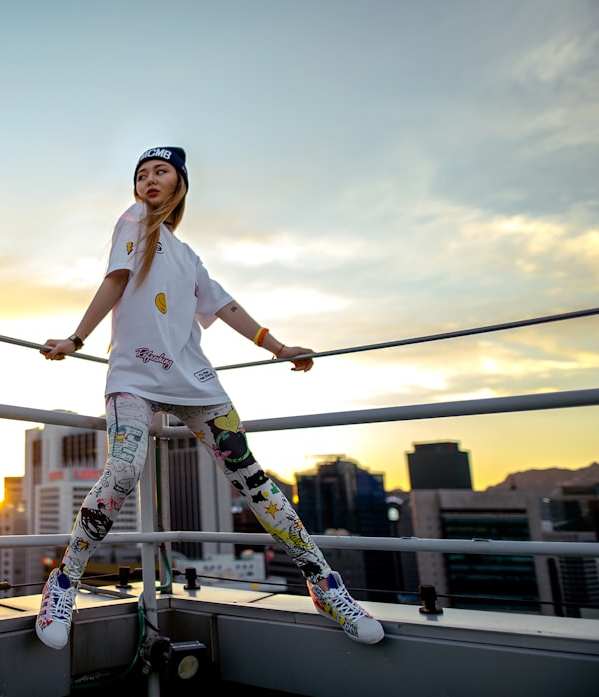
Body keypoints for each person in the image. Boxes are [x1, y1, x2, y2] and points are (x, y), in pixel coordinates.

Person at [35, 146, 384, 650]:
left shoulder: (188, 256)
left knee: (254, 481)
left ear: (180, 184)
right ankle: (64, 581)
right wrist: (77, 338)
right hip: (132, 376)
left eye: (161, 172)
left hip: (195, 381)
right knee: (125, 467)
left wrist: (279, 346)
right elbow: (114, 280)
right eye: (141, 174)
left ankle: (323, 583)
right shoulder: (132, 221)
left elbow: (226, 306)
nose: (148, 180)